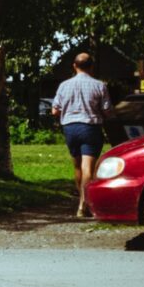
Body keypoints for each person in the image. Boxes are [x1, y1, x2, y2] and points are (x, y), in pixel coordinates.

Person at [52, 51, 112, 219]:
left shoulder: (64, 85)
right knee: (88, 168)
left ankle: (83, 199)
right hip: (90, 128)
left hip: (70, 128)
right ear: (91, 66)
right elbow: (107, 111)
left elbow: (55, 110)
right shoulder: (100, 85)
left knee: (77, 166)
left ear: (74, 66)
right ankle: (83, 204)